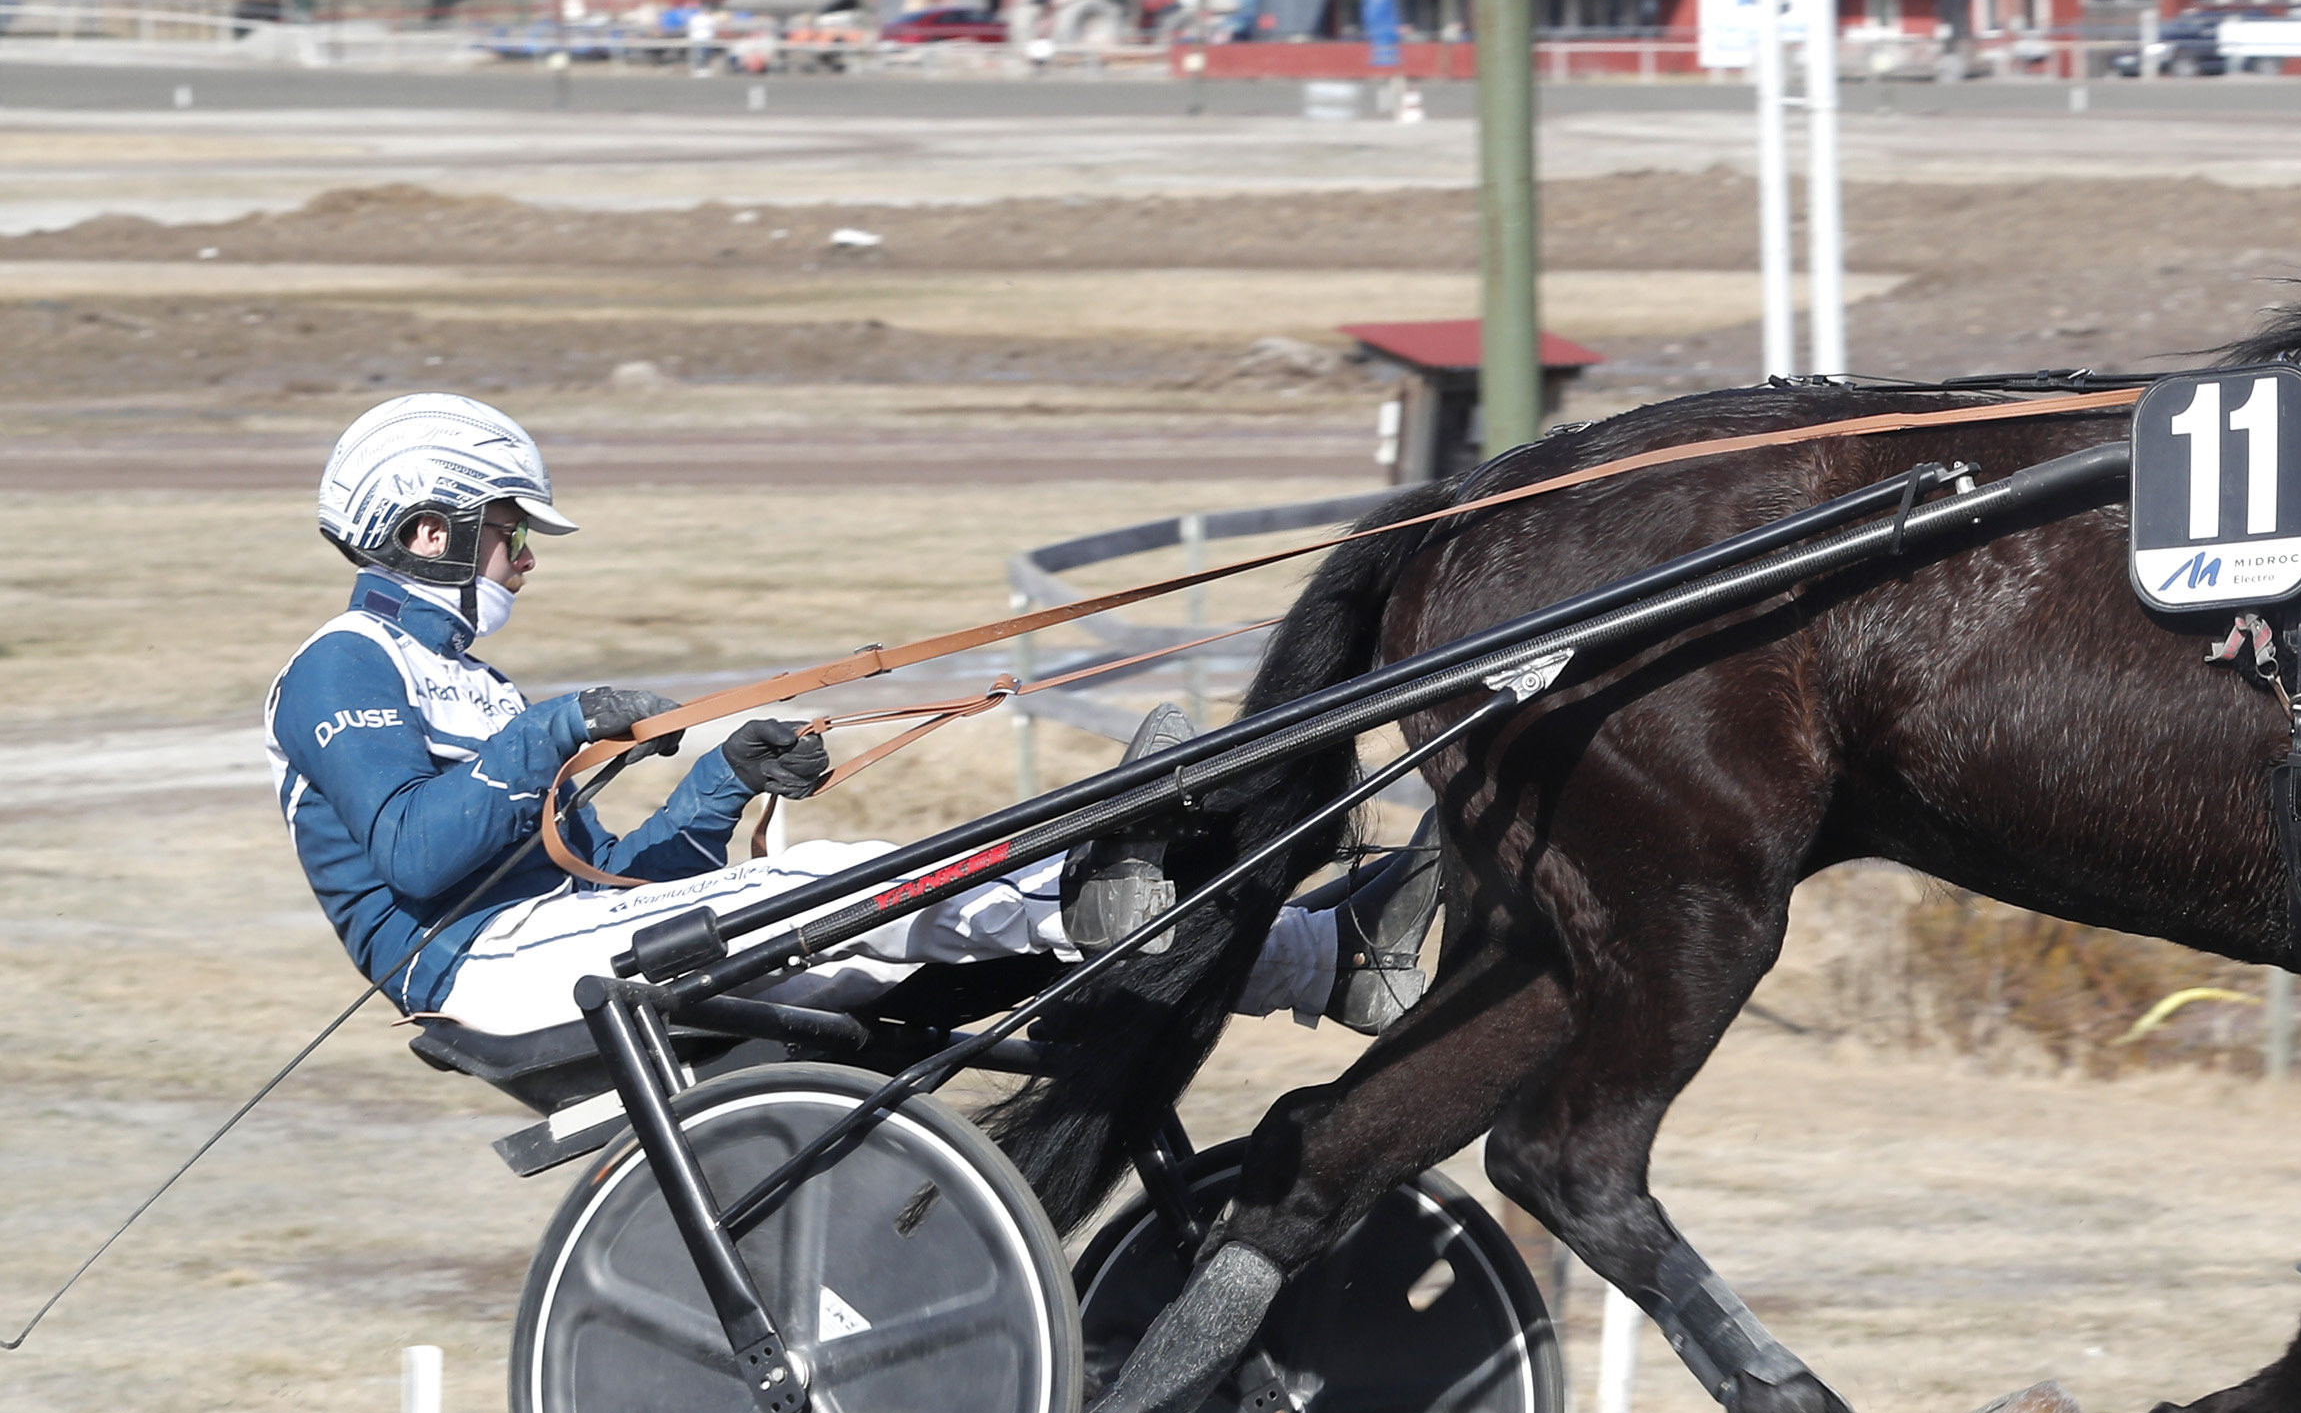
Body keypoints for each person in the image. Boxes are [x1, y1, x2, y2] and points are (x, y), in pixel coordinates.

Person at [271, 394, 1432, 1043]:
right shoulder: (339, 666)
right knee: (831, 884)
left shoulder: (471, 685)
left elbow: (623, 889)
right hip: (476, 973)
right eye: (509, 529)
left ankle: (1313, 956)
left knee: (942, 927)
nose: (524, 558)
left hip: (554, 947)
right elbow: (414, 857)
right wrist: (558, 728)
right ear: (428, 531)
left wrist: (724, 781)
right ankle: (1105, 888)